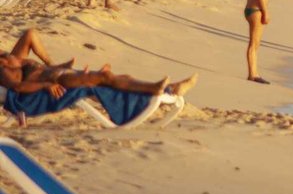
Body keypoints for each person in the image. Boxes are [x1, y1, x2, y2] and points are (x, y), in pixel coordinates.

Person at [2, 29, 197, 124]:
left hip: (57, 73)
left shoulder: (14, 59)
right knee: (105, 79)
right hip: (58, 82)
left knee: (110, 79)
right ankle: (156, 89)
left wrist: (54, 65)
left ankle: (164, 90)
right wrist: (45, 84)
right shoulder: (5, 69)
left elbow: (30, 35)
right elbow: (17, 88)